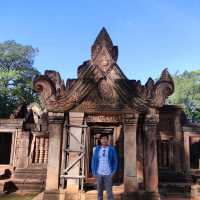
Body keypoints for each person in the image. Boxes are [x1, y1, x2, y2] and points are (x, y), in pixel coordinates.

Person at [91, 134, 118, 200]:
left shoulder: (112, 149)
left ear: (108, 140)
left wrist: (113, 172)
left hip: (108, 173)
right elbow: (93, 161)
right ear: (100, 140)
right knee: (99, 192)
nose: (104, 140)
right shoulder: (96, 149)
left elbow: (115, 161)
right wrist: (94, 172)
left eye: (105, 139)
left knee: (109, 192)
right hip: (99, 173)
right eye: (102, 139)